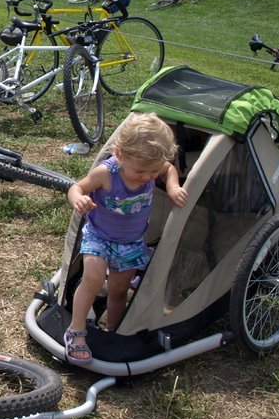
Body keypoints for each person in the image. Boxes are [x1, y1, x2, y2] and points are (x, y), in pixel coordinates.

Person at [62, 113, 187, 363]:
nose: (147, 177)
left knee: (119, 292)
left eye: (152, 173)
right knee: (94, 278)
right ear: (120, 155)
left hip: (130, 243)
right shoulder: (106, 173)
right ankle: (76, 330)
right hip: (99, 237)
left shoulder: (152, 166)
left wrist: (172, 186)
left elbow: (168, 169)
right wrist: (79, 199)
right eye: (141, 171)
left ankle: (113, 332)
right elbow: (76, 187)